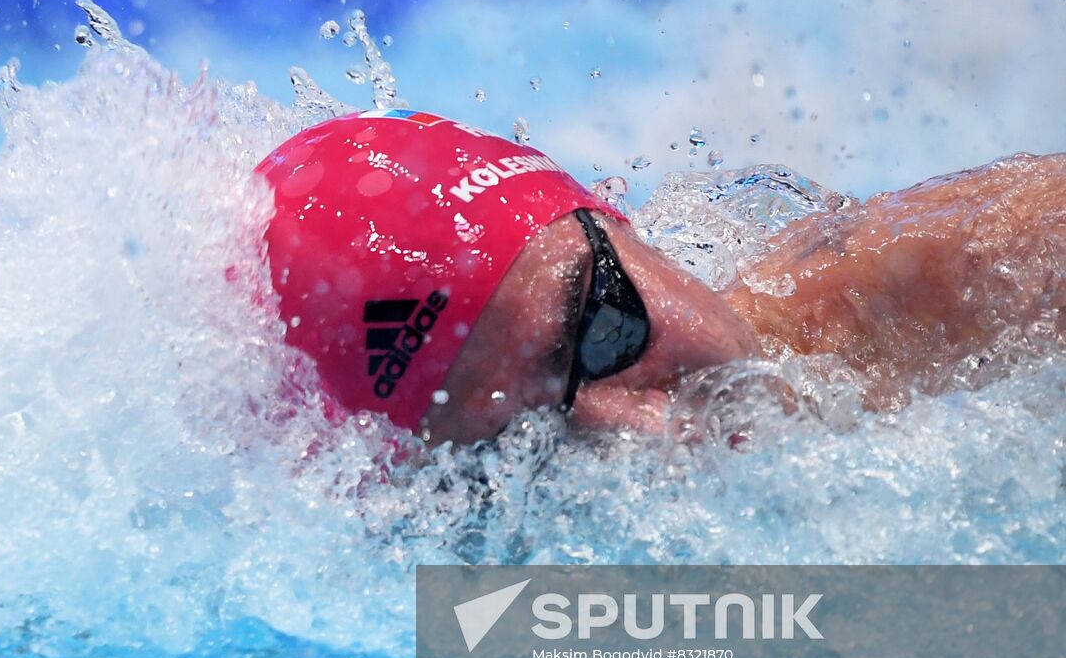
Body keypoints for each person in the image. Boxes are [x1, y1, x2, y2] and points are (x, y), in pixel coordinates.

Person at [256, 109, 1064, 445]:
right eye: (529, 447)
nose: (643, 432)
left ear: (612, 215)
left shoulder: (950, 281)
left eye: (607, 331)